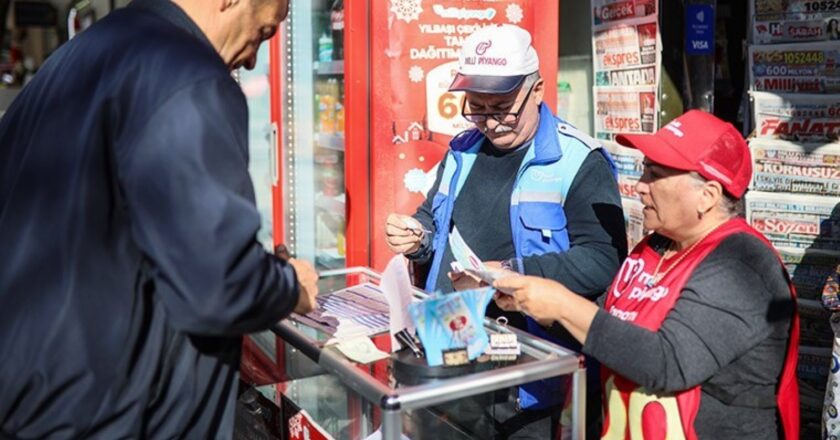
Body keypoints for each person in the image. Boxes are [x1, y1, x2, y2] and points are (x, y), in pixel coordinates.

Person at [0, 0, 319, 438]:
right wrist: (287, 286)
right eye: (263, 32)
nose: (252, 59)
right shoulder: (188, 73)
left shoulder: (82, 55)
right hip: (111, 409)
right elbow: (217, 284)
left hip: (36, 395)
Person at [494, 110, 800, 439]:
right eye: (643, 171)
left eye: (655, 175)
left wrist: (563, 305)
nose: (640, 187)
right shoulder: (656, 246)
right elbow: (616, 331)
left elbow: (667, 363)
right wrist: (537, 304)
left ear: (707, 195)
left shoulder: (743, 263)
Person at [385, 24, 626, 438]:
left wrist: (514, 271)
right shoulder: (462, 149)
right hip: (452, 350)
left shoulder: (580, 162)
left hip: (530, 372)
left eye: (502, 107)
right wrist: (418, 238)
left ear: (537, 90)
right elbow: (434, 220)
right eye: (476, 107)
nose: (491, 123)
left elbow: (604, 260)